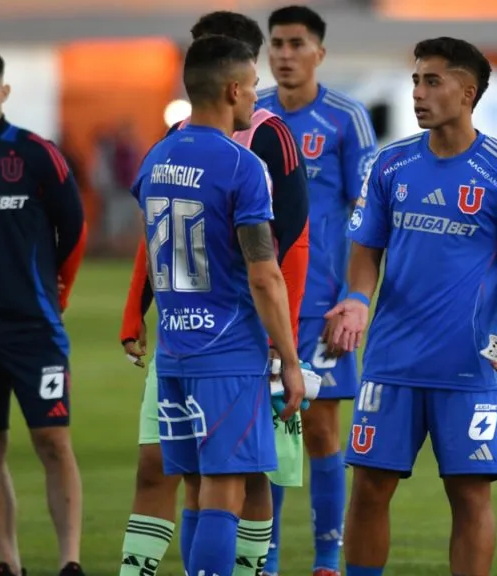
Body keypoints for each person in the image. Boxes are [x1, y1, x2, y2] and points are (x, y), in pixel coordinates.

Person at [323, 36, 497, 576]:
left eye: (432, 81)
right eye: (416, 81)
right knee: (369, 488)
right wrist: (356, 299)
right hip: (390, 363)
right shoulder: (390, 163)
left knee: (469, 495)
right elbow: (365, 252)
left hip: (467, 367)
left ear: (467, 93)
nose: (418, 94)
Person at [117, 12, 310, 576]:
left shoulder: (157, 158)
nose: (256, 95)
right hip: (227, 351)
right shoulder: (242, 165)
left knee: (196, 488)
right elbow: (264, 273)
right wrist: (289, 358)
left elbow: (154, 248)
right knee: (226, 491)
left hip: (176, 352)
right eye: (252, 85)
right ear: (231, 90)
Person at [255, 6, 378, 574]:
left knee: (321, 430)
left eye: (296, 43)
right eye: (277, 43)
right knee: (268, 432)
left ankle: (327, 559)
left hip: (321, 305)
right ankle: (266, 558)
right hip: (263, 301)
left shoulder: (345, 118)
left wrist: (352, 296)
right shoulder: (253, 114)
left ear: (319, 53)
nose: (285, 54)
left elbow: (368, 213)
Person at [0, 47, 87, 576]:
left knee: (53, 441)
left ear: (4, 91)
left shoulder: (36, 152)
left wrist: (56, 293)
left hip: (34, 329)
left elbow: (74, 228)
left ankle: (69, 562)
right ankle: (8, 564)